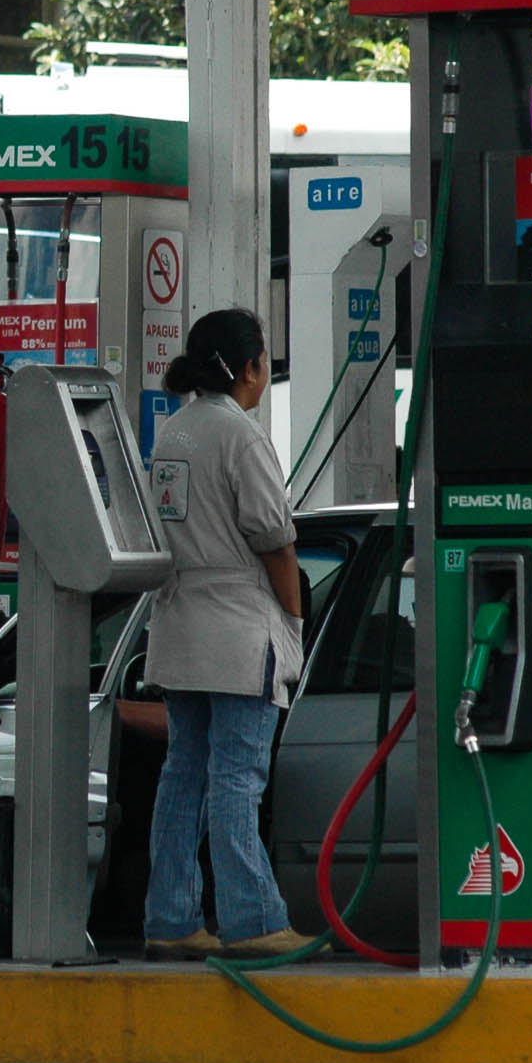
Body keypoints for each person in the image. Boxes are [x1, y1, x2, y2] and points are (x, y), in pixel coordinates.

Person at [140, 307, 306, 962]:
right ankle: (254, 921)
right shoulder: (241, 437)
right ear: (248, 369)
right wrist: (292, 625)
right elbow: (276, 542)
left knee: (184, 775)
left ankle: (172, 917)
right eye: (263, 359)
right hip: (241, 630)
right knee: (239, 777)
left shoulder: (174, 431)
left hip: (179, 626)